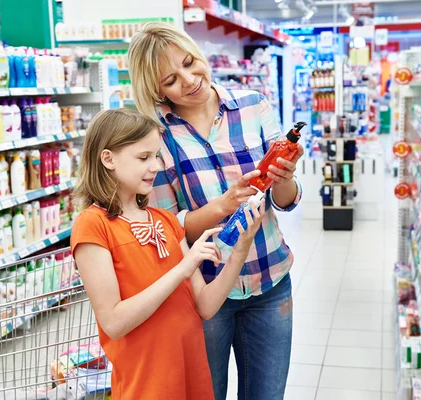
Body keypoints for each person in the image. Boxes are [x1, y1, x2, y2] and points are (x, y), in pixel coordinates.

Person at [128, 22, 303, 400]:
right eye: (171, 80)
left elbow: (284, 200)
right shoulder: (156, 136)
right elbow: (169, 227)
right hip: (204, 294)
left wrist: (285, 177)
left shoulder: (253, 105)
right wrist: (224, 204)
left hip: (270, 280)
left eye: (191, 63)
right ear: (156, 90)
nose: (190, 80)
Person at [71, 108, 265, 399]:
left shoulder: (165, 221)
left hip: (191, 370)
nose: (155, 167)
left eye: (156, 157)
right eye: (143, 157)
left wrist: (241, 250)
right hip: (146, 381)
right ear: (108, 159)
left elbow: (205, 306)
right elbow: (113, 321)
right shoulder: (93, 225)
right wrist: (183, 268)